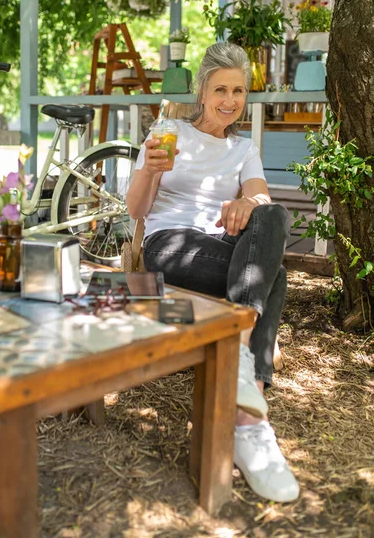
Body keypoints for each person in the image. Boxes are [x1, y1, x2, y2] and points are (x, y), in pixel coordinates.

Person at [126, 41, 299, 503]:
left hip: (226, 248)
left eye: (239, 90)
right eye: (221, 88)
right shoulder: (169, 131)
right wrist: (149, 172)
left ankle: (246, 409)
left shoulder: (244, 149)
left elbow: (263, 203)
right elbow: (136, 209)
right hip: (171, 246)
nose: (230, 100)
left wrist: (248, 201)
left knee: (274, 215)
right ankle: (251, 405)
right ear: (202, 91)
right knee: (274, 278)